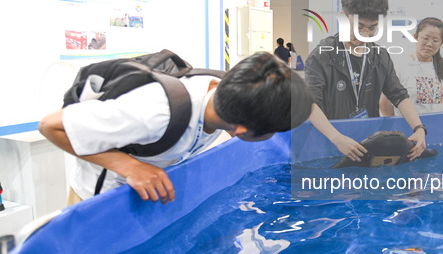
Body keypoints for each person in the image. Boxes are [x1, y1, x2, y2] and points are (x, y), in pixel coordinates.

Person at [38, 52, 313, 205]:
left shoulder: (225, 93)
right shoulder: (153, 113)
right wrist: (130, 167)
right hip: (98, 198)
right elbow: (51, 126)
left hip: (145, 187)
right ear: (241, 129)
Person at [305, 0, 427, 162]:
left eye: (372, 28)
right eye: (359, 26)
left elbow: (399, 95)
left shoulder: (380, 56)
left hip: (369, 145)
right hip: (330, 146)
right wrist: (336, 138)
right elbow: (310, 104)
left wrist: (419, 129)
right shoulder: (322, 55)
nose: (364, 35)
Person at [379, 17, 443, 115]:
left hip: (438, 126)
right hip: (409, 127)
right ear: (415, 37)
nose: (429, 44)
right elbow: (384, 104)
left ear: (441, 43)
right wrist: (395, 126)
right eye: (425, 38)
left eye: (435, 41)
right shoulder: (400, 65)